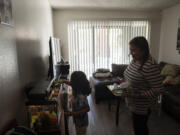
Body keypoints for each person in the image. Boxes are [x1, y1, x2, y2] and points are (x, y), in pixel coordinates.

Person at [123, 36, 163, 135]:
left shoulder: (150, 65)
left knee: (140, 129)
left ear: (143, 50)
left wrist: (138, 95)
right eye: (130, 50)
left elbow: (158, 89)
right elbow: (130, 76)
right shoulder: (136, 60)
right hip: (133, 102)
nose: (131, 53)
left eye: (133, 50)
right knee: (137, 127)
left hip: (142, 106)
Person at [57, 71, 91, 135]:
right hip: (78, 120)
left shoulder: (80, 96)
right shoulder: (77, 87)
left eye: (72, 80)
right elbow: (71, 83)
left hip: (81, 122)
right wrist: (63, 81)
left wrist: (73, 113)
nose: (70, 82)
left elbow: (87, 109)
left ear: (76, 84)